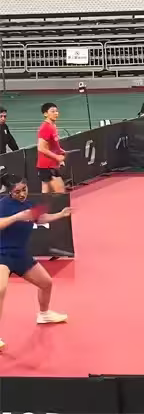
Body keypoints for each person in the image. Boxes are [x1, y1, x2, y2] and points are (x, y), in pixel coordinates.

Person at [0, 174, 70, 350]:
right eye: (17, 192)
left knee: (46, 283)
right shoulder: (3, 205)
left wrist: (60, 214)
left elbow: (40, 218)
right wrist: (17, 217)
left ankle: (44, 314)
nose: (22, 194)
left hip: (21, 255)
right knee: (0, 289)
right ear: (9, 191)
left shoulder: (29, 204)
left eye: (24, 189)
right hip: (3, 254)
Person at [36, 103, 66, 194]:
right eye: (52, 111)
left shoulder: (53, 126)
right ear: (45, 114)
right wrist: (57, 157)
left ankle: (45, 203)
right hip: (46, 165)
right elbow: (41, 148)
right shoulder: (45, 128)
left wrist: (61, 152)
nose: (56, 113)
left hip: (51, 164)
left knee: (46, 192)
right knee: (60, 192)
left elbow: (54, 145)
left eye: (56, 111)